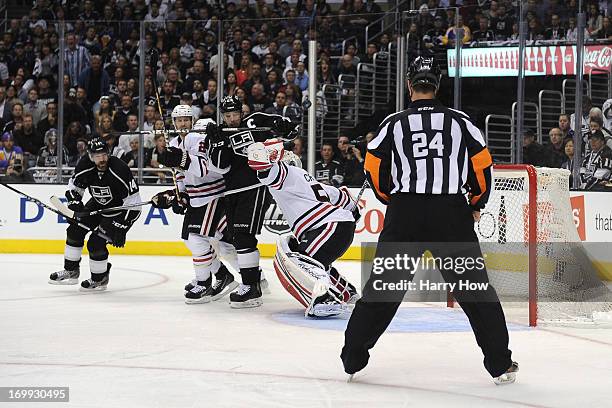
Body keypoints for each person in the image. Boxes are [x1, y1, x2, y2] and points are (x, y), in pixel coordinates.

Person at [341, 57, 517, 385]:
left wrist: (393, 200)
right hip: (450, 215)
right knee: (476, 291)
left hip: (404, 214)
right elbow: (483, 168)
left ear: (410, 86)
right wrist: (476, 203)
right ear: (437, 85)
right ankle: (500, 364)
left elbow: (373, 166)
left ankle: (352, 358)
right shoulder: (462, 122)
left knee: (383, 289)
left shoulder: (393, 123)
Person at [246, 139, 360, 317]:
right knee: (312, 260)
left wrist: (268, 149)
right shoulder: (307, 179)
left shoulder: (285, 174)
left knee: (299, 262)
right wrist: (353, 208)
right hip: (336, 226)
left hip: (327, 226)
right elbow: (344, 198)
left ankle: (325, 299)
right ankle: (346, 292)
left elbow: (260, 164)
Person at [207, 95, 300, 307]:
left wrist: (282, 126)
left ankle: (251, 286)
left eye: (235, 114)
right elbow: (221, 166)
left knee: (243, 236)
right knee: (236, 238)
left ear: (242, 112)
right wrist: (218, 142)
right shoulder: (220, 132)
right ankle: (253, 283)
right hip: (231, 191)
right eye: (227, 115)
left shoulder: (255, 121)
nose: (231, 119)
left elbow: (289, 133)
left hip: (255, 186)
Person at [151, 110, 239, 303]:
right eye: (179, 120)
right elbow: (180, 175)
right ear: (174, 122)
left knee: (199, 239)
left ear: (192, 121)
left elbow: (201, 168)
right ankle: (223, 276)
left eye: (186, 120)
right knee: (192, 240)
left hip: (213, 195)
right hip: (197, 197)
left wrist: (179, 157)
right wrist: (179, 195)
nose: (183, 124)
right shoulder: (174, 143)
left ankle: (204, 283)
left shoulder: (197, 138)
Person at [48, 137, 141, 291]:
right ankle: (71, 271)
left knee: (96, 242)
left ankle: (99, 279)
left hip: (118, 210)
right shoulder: (85, 164)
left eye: (104, 155)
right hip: (98, 204)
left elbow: (135, 204)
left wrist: (122, 226)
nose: (102, 159)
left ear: (109, 154)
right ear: (91, 156)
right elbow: (74, 187)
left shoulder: (120, 169)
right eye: (97, 156)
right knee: (75, 229)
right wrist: (75, 202)